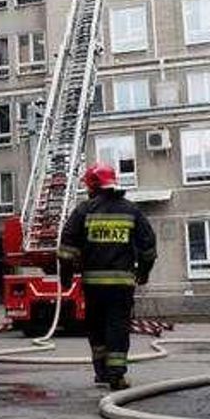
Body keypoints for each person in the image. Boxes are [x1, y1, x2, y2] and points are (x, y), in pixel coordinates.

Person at [58, 163, 157, 391]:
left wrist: (65, 278)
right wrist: (143, 273)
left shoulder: (84, 211)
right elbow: (148, 248)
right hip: (122, 285)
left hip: (93, 285)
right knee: (118, 327)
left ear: (92, 186)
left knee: (96, 327)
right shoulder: (131, 211)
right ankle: (117, 375)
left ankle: (102, 372)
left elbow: (66, 249)